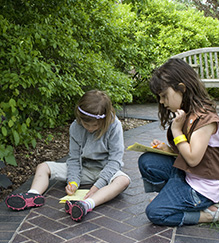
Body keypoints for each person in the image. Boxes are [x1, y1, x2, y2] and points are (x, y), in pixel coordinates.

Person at [138, 58, 219, 226]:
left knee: (156, 213)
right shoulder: (187, 112)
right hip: (189, 175)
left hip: (202, 189)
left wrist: (177, 131)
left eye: (164, 96)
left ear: (182, 89)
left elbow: (193, 158)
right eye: (159, 97)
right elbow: (187, 153)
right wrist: (167, 149)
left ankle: (209, 214)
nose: (161, 102)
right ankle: (171, 198)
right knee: (147, 161)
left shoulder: (205, 119)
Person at [5, 90, 130, 222]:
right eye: (86, 124)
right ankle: (33, 195)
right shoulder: (75, 127)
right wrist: (73, 182)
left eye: (95, 125)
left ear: (103, 121)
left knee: (123, 181)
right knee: (43, 167)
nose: (90, 129)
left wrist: (97, 186)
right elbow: (74, 159)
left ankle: (87, 204)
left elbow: (115, 161)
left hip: (106, 170)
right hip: (84, 169)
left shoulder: (114, 126)